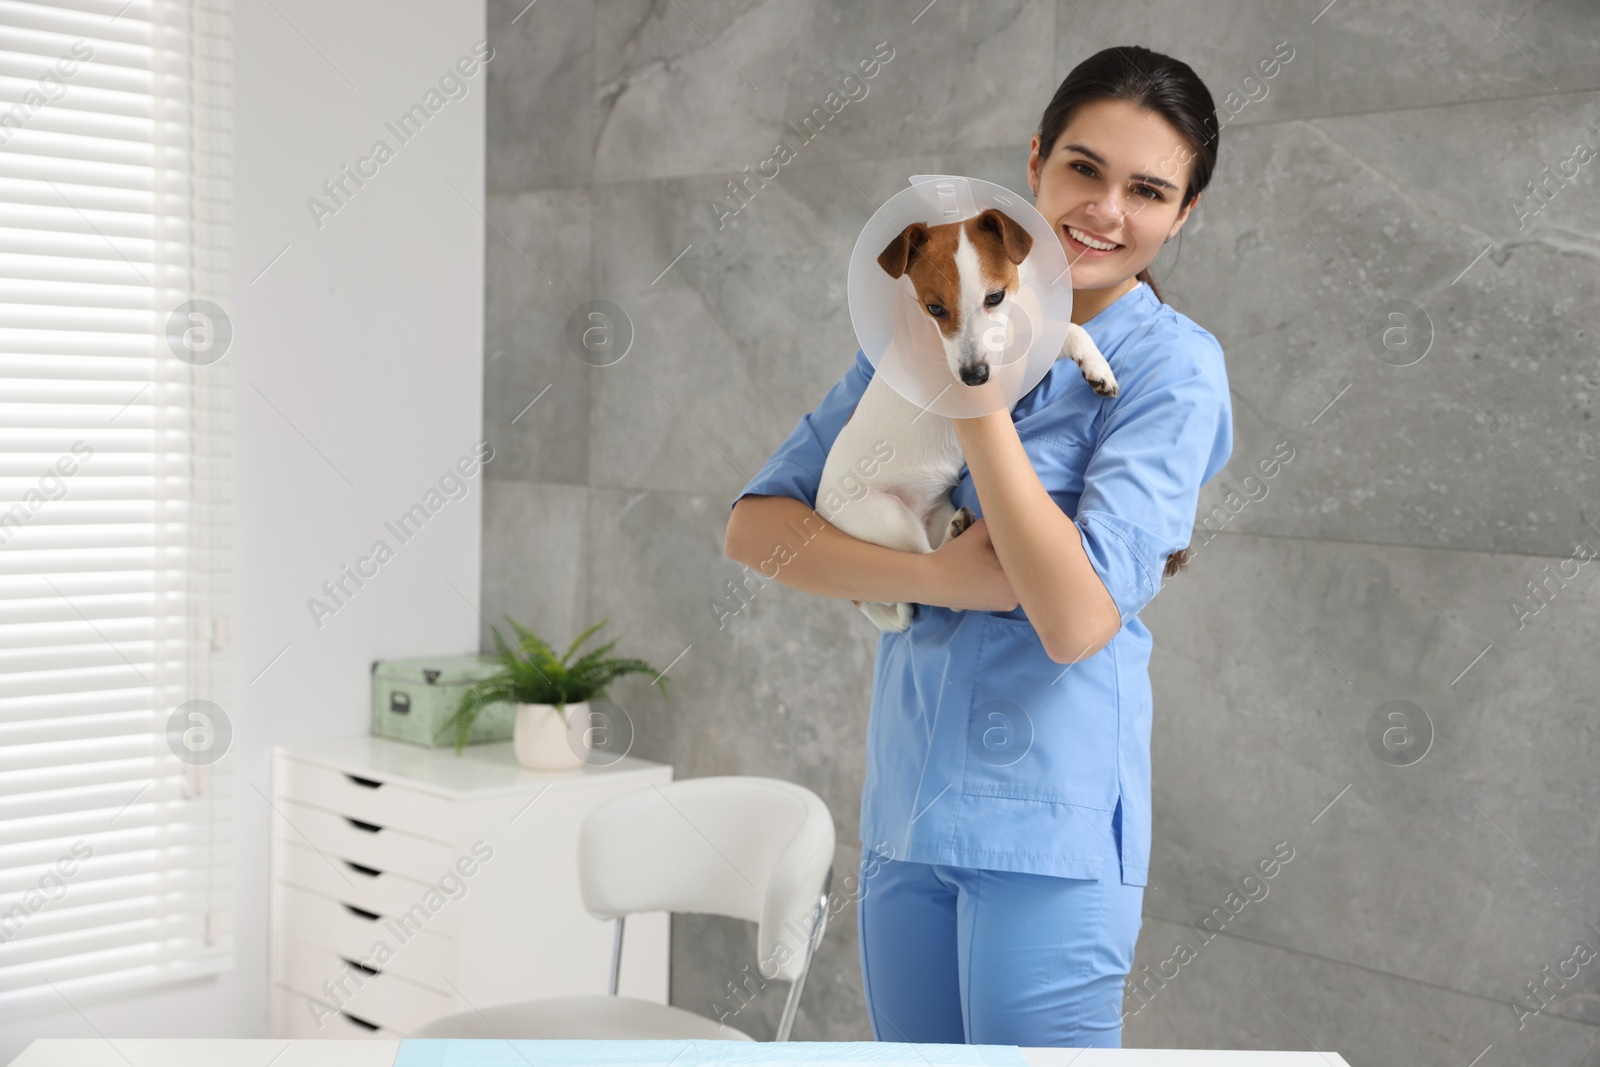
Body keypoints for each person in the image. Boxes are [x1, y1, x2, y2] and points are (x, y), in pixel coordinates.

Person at [723, 45, 1233, 1049]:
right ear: (1034, 163)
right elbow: (758, 527)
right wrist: (934, 576)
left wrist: (972, 398)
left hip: (1049, 827)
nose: (1103, 210)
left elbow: (1079, 616)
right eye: (1083, 169)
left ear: (1184, 215)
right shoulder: (926, 314)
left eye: (1147, 189)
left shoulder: (1171, 367)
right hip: (910, 809)